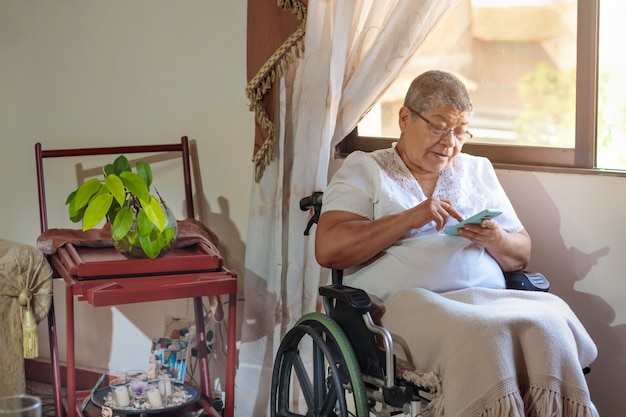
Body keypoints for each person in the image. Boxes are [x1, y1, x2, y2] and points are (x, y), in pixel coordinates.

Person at [315, 70, 598, 417]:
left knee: (547, 323)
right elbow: (329, 247)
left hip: (486, 299)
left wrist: (495, 238)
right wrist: (409, 218)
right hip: (404, 306)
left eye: (461, 131)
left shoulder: (477, 170)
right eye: (438, 126)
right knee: (480, 336)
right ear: (405, 118)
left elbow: (521, 255)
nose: (450, 142)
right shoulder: (366, 168)